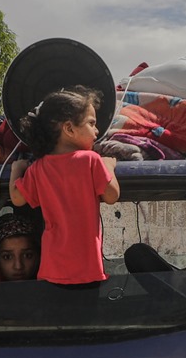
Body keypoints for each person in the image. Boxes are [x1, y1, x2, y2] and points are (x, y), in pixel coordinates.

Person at [8, 85, 120, 285]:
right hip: (88, 271)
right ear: (69, 128)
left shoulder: (39, 168)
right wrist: (109, 165)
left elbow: (17, 198)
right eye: (91, 123)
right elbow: (112, 196)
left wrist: (17, 168)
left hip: (52, 270)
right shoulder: (91, 161)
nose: (97, 130)